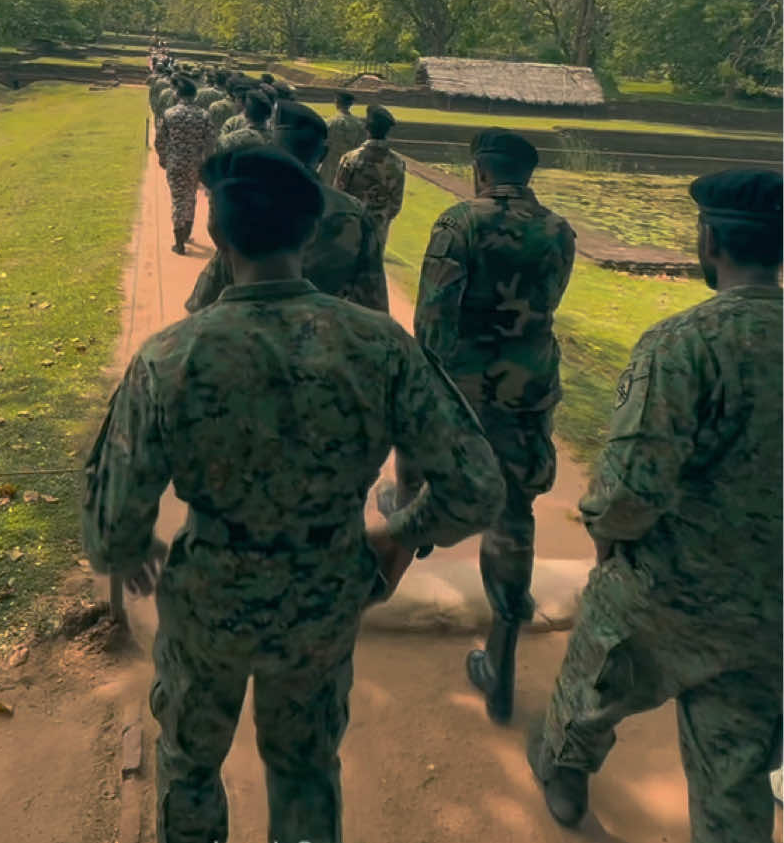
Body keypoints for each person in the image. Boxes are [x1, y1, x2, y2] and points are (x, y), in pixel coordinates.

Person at [82, 146, 506, 843]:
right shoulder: (380, 347)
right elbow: (477, 486)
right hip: (325, 593)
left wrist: (133, 547)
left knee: (190, 766)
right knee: (306, 769)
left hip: (209, 598)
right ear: (309, 235)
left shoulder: (169, 357)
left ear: (217, 233)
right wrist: (400, 533)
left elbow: (108, 525)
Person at [528, 168, 783, 838]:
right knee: (735, 774)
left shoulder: (683, 344)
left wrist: (607, 539)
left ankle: (564, 772)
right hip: (771, 607)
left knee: (594, 679)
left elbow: (631, 489)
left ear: (709, 240)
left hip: (670, 588)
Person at [383, 129, 576, 724]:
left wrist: (423, 381)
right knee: (512, 511)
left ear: (480, 172)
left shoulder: (458, 222)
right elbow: (549, 302)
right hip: (527, 385)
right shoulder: (559, 230)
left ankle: (411, 527)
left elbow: (434, 316)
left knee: (422, 453)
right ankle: (503, 650)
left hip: (463, 381)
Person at [186, 100, 389, 313]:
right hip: (327, 328)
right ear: (323, 154)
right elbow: (373, 301)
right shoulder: (354, 214)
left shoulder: (253, 204)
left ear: (272, 148)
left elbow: (204, 298)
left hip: (249, 326)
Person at [154, 75, 213, 255]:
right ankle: (186, 233)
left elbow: (160, 140)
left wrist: (163, 158)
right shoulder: (204, 115)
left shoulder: (169, 114)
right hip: (195, 164)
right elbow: (210, 142)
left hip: (175, 162)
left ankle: (179, 243)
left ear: (178, 94)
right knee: (190, 197)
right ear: (194, 95)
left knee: (178, 200)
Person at [333, 105, 406, 249]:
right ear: (387, 131)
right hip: (377, 232)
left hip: (349, 230)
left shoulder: (350, 159)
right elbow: (396, 204)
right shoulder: (397, 163)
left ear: (367, 128)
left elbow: (338, 196)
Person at [320, 91, 367, 186]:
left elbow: (322, 145)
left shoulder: (329, 122)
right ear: (351, 104)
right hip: (349, 167)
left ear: (336, 102)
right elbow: (361, 148)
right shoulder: (359, 125)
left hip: (329, 166)